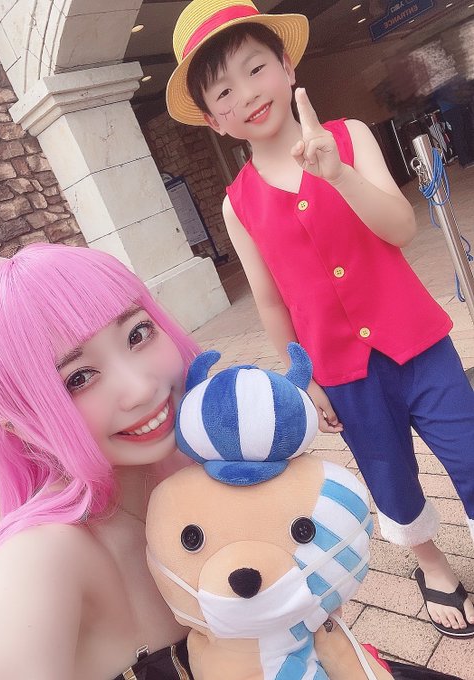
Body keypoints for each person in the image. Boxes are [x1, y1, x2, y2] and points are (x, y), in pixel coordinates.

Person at [166, 0, 474, 638]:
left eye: (256, 68)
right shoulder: (237, 204)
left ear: (286, 66)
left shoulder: (349, 136)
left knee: (469, 448)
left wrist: (339, 176)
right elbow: (270, 301)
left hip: (419, 343)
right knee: (388, 473)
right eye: (224, 91)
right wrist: (302, 379)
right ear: (214, 119)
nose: (248, 93)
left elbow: (401, 227)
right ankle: (432, 564)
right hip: (342, 371)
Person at [0, 243, 200, 679]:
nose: (141, 389)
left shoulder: (206, 466)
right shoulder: (41, 559)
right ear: (21, 426)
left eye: (137, 334)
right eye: (78, 378)